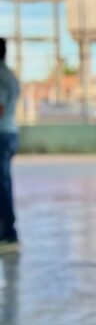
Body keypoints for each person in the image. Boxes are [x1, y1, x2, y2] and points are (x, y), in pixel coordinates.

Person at [0, 38, 20, 255]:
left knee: (2, 185)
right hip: (9, 133)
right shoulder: (8, 74)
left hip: (2, 135)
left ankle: (9, 233)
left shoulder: (1, 75)